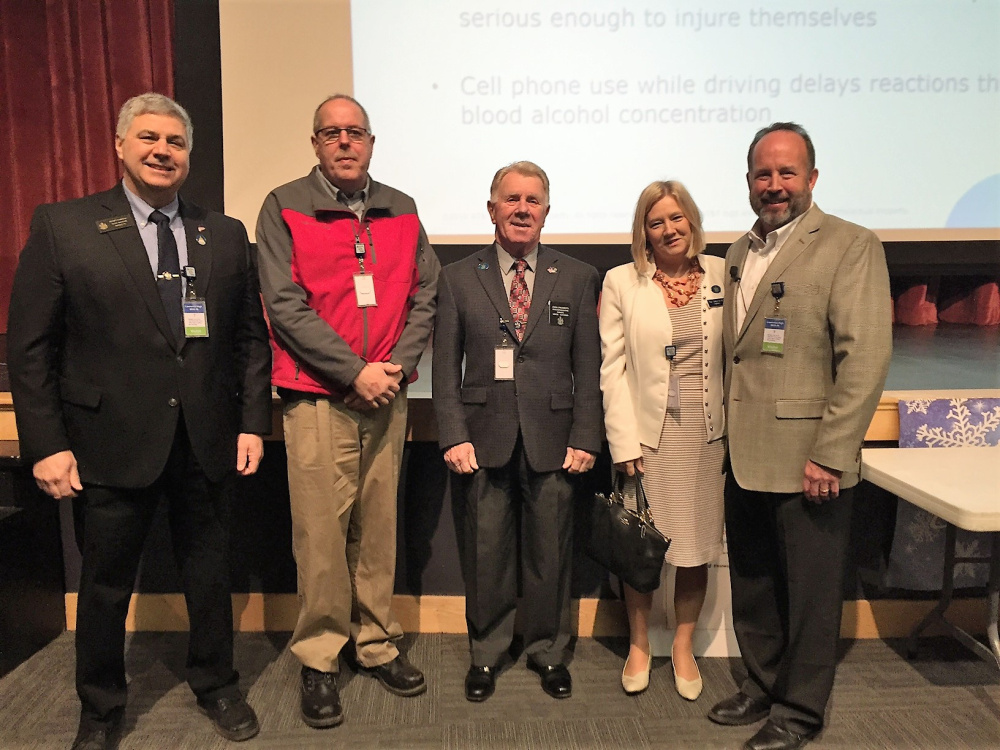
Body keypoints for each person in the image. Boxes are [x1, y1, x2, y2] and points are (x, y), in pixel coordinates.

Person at [6, 93, 272, 750]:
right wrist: (45, 445)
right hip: (106, 443)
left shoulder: (226, 233)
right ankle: (99, 707)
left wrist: (250, 424)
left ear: (189, 154)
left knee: (210, 574)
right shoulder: (64, 226)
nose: (163, 151)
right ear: (120, 146)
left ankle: (216, 681)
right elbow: (30, 346)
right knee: (103, 586)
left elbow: (248, 341)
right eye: (149, 138)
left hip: (206, 440)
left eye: (175, 142)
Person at [255, 94, 439, 729]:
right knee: (322, 534)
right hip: (317, 397)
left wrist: (393, 369)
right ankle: (321, 657)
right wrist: (351, 371)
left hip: (386, 394)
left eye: (354, 132)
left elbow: (426, 295)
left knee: (378, 527)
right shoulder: (284, 206)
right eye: (330, 133)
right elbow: (283, 303)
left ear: (370, 141)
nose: (343, 142)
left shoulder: (403, 208)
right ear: (315, 144)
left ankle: (377, 642)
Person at [709, 122, 892, 750]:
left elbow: (863, 358)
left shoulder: (850, 244)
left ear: (812, 178)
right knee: (755, 582)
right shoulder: (737, 253)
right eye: (764, 174)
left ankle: (799, 713)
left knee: (812, 596)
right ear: (750, 181)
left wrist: (831, 455)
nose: (775, 185)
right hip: (745, 453)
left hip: (810, 459)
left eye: (788, 173)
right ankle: (761, 685)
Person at [433, 161, 602, 703]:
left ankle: (548, 651)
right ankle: (486, 653)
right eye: (511, 199)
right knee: (486, 553)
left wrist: (586, 436)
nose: (522, 208)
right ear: (492, 209)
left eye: (533, 200)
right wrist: (453, 434)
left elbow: (589, 366)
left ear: (547, 212)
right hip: (481, 438)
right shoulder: (458, 277)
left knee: (551, 551)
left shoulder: (576, 277)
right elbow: (444, 367)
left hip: (555, 438)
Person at [599, 180, 726, 700]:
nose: (669, 229)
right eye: (657, 222)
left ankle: (682, 645)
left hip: (707, 434)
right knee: (641, 550)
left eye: (677, 219)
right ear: (643, 232)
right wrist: (623, 442)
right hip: (646, 438)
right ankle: (638, 644)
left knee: (695, 549)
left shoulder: (724, 273)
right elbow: (612, 369)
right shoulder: (621, 281)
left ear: (691, 221)